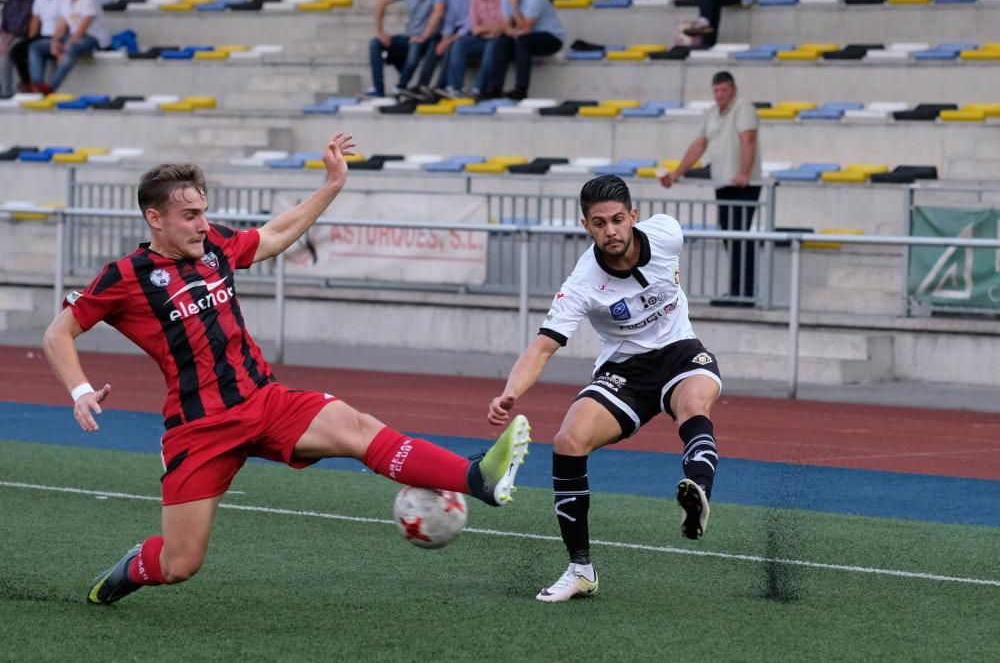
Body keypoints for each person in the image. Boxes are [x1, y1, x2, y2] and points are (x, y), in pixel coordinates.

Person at [42, 132, 533, 605]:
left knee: (357, 428)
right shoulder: (125, 276)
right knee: (179, 565)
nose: (201, 223)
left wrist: (333, 185)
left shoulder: (213, 245)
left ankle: (478, 479)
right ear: (155, 218)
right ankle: (132, 567)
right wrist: (80, 389)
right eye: (189, 215)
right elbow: (57, 334)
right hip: (201, 427)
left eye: (203, 212)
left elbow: (275, 234)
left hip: (265, 400)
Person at [488, 175, 723, 602]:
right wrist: (510, 391)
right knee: (568, 440)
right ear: (586, 226)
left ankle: (699, 493)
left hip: (680, 351)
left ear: (634, 216)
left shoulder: (668, 234)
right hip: (624, 369)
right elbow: (542, 348)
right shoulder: (582, 282)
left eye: (618, 220)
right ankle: (580, 571)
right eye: (599, 223)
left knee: (692, 404)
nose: (610, 231)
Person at [660, 71, 761, 306]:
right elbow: (699, 144)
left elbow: (749, 139)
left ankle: (745, 293)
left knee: (739, 237)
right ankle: (737, 291)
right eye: (716, 90)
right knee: (729, 236)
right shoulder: (712, 113)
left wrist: (744, 172)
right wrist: (677, 172)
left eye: (724, 90)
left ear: (733, 89)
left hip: (743, 184)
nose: (720, 95)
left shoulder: (744, 107)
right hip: (723, 182)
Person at [478, 0, 564, 100]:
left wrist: (514, 7)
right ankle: (495, 88)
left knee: (522, 40)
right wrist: (513, 32)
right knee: (501, 40)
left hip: (551, 38)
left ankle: (521, 89)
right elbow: (506, 26)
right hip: (523, 37)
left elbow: (526, 27)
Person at [367, 0, 445, 99]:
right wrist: (380, 31)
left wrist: (424, 36)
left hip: (428, 38)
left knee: (414, 49)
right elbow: (380, 3)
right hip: (409, 36)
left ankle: (400, 87)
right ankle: (378, 90)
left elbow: (438, 13)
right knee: (375, 43)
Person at [28, 0, 109, 94]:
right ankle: (37, 86)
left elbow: (83, 28)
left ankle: (50, 88)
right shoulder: (65, 0)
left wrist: (64, 48)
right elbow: (61, 25)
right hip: (71, 37)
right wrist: (54, 42)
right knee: (35, 47)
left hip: (93, 38)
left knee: (71, 49)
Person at [434, 0, 504, 99]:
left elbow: (504, 24)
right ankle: (454, 88)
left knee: (492, 47)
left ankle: (478, 89)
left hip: (499, 38)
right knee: (459, 45)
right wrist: (490, 30)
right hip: (482, 37)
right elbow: (474, 28)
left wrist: (488, 30)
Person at [6, 0, 60, 94]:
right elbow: (35, 21)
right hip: (43, 35)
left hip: (59, 36)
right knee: (17, 50)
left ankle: (38, 86)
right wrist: (30, 40)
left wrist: (57, 39)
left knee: (35, 48)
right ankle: (27, 83)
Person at [0, 0, 35, 97]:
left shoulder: (32, 0)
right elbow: (4, 25)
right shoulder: (10, 1)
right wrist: (4, 38)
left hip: (23, 37)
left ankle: (6, 90)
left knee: (6, 54)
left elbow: (24, 26)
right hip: (7, 36)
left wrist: (8, 39)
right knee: (2, 48)